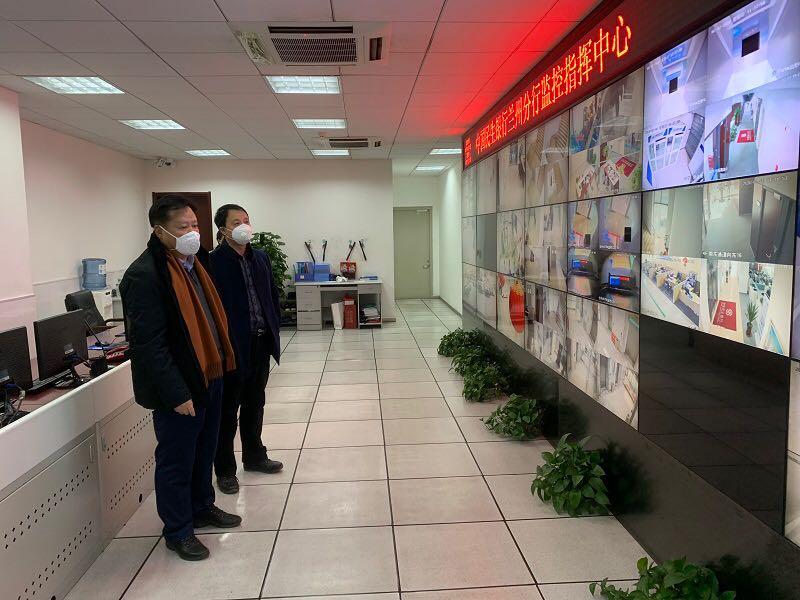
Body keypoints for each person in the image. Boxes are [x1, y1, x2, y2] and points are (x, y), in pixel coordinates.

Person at [120, 195, 242, 561]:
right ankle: (177, 530)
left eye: (194, 225)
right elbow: (148, 344)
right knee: (176, 458)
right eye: (182, 227)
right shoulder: (145, 274)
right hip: (181, 385)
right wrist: (175, 392)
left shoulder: (195, 264)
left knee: (204, 449)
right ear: (159, 231)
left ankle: (201, 506)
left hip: (210, 373)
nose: (192, 232)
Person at [209, 204, 283, 495]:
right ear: (223, 229)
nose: (244, 226)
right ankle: (225, 470)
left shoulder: (260, 257)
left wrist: (274, 324)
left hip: (260, 341)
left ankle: (254, 456)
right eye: (236, 222)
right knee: (228, 410)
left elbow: (271, 295)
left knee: (255, 402)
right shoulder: (213, 262)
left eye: (246, 220)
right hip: (232, 346)